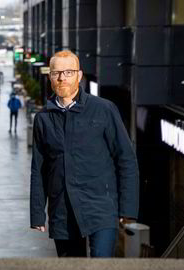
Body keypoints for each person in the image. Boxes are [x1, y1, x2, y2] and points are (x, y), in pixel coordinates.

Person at [30, 50, 139, 257]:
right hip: (62, 210)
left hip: (101, 208)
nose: (62, 78)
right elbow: (39, 169)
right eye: (56, 73)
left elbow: (126, 159)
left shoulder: (104, 110)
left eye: (68, 72)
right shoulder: (43, 119)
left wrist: (128, 208)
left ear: (79, 76)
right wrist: (37, 214)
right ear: (50, 77)